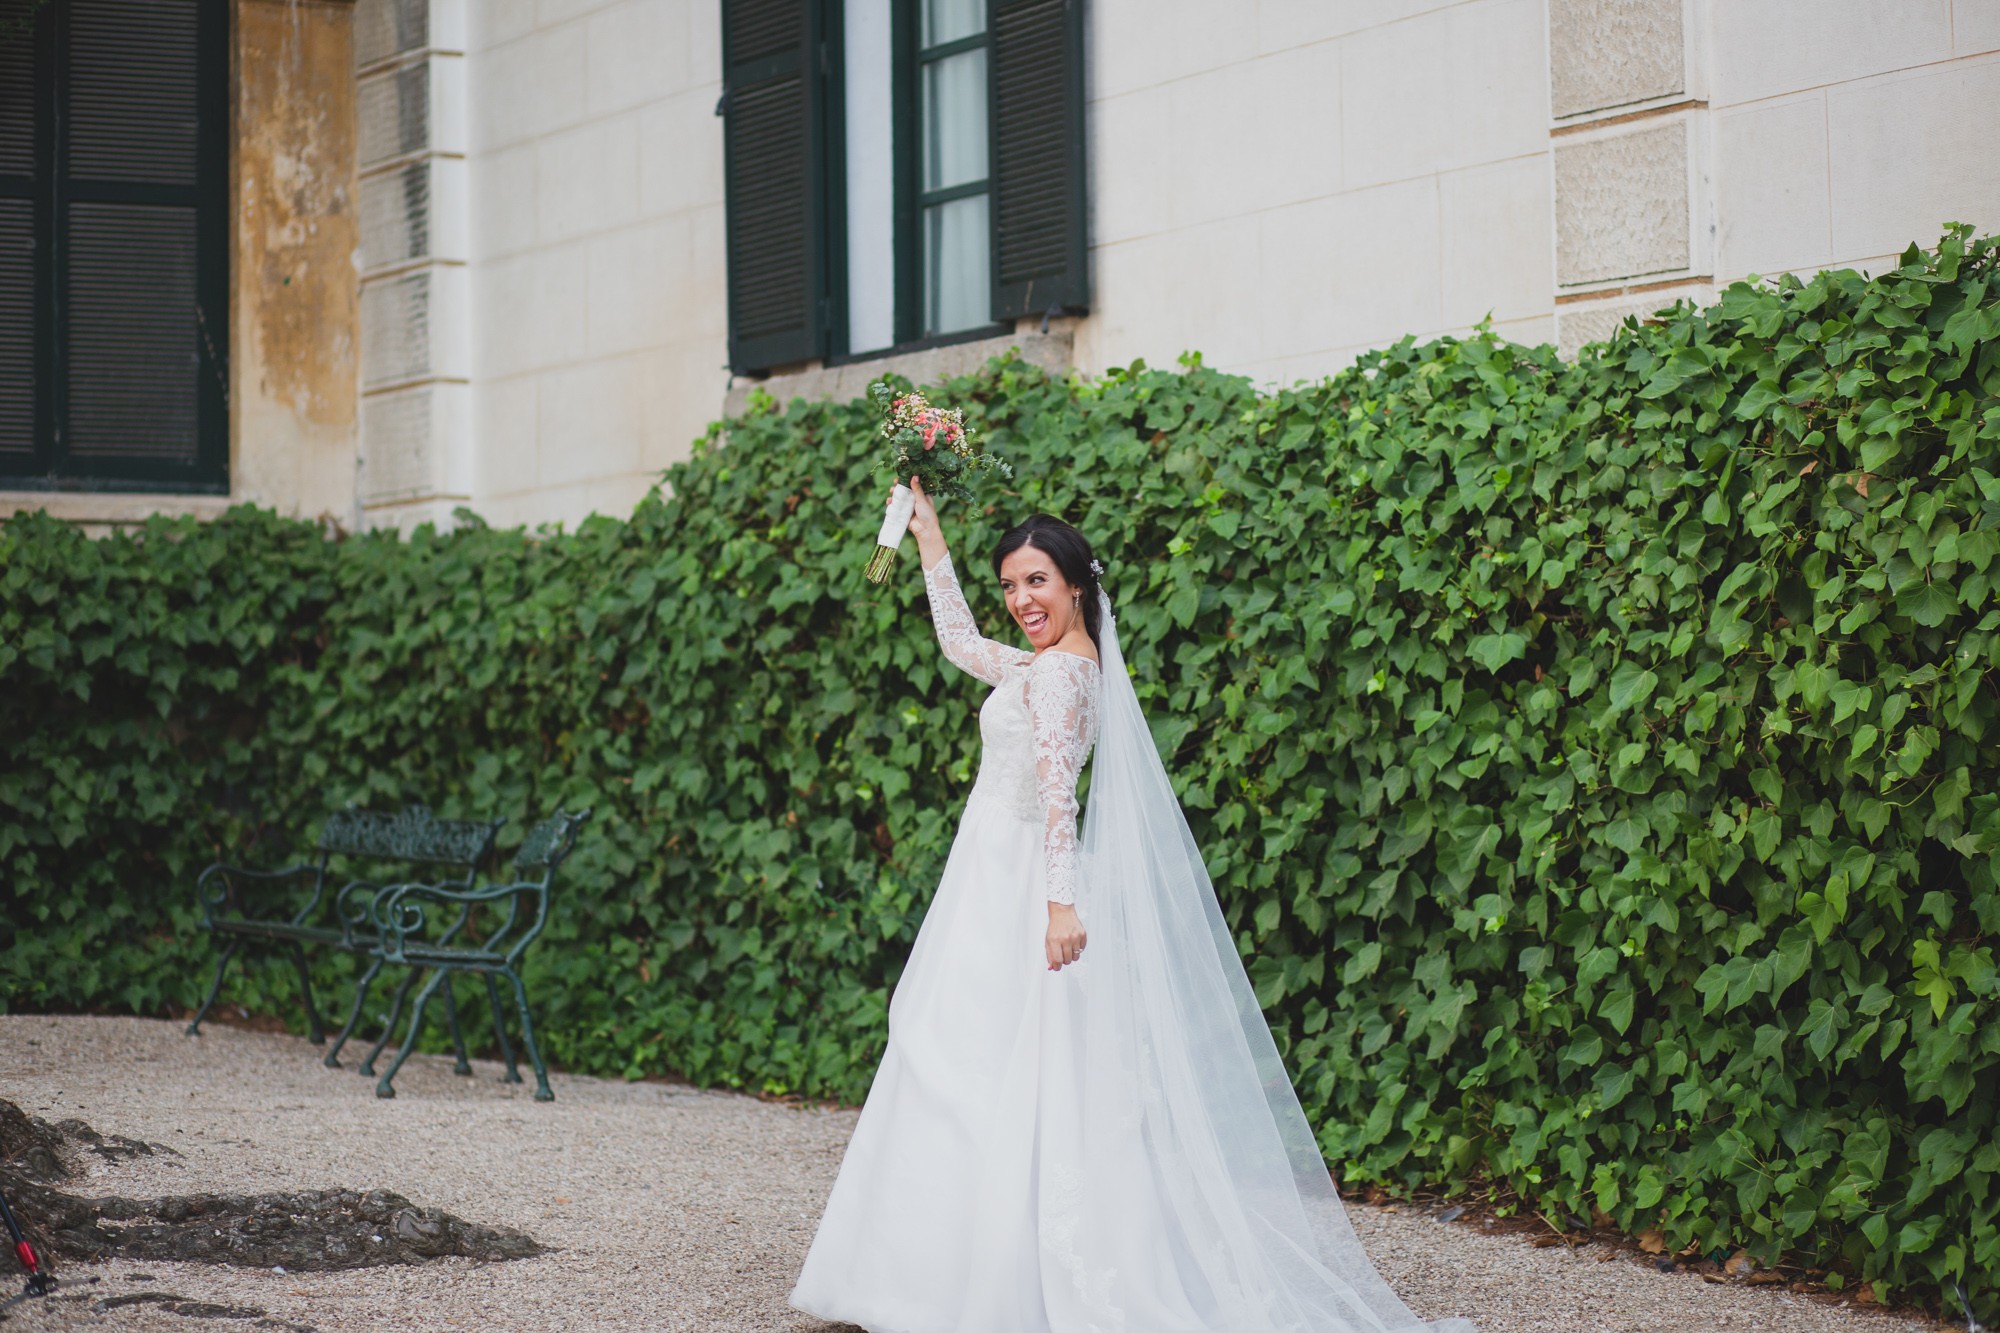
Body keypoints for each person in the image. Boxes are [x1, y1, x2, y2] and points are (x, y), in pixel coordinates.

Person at [790, 478, 1473, 1333]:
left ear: (1077, 584)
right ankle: (947, 1275)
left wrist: (1059, 906)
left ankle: (960, 1283)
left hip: (1019, 882)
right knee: (979, 1063)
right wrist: (930, 539)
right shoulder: (1056, 664)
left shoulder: (1060, 676)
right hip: (995, 873)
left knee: (976, 1060)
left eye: (1037, 580)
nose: (1021, 599)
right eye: (1011, 584)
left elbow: (1058, 795)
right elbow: (963, 644)